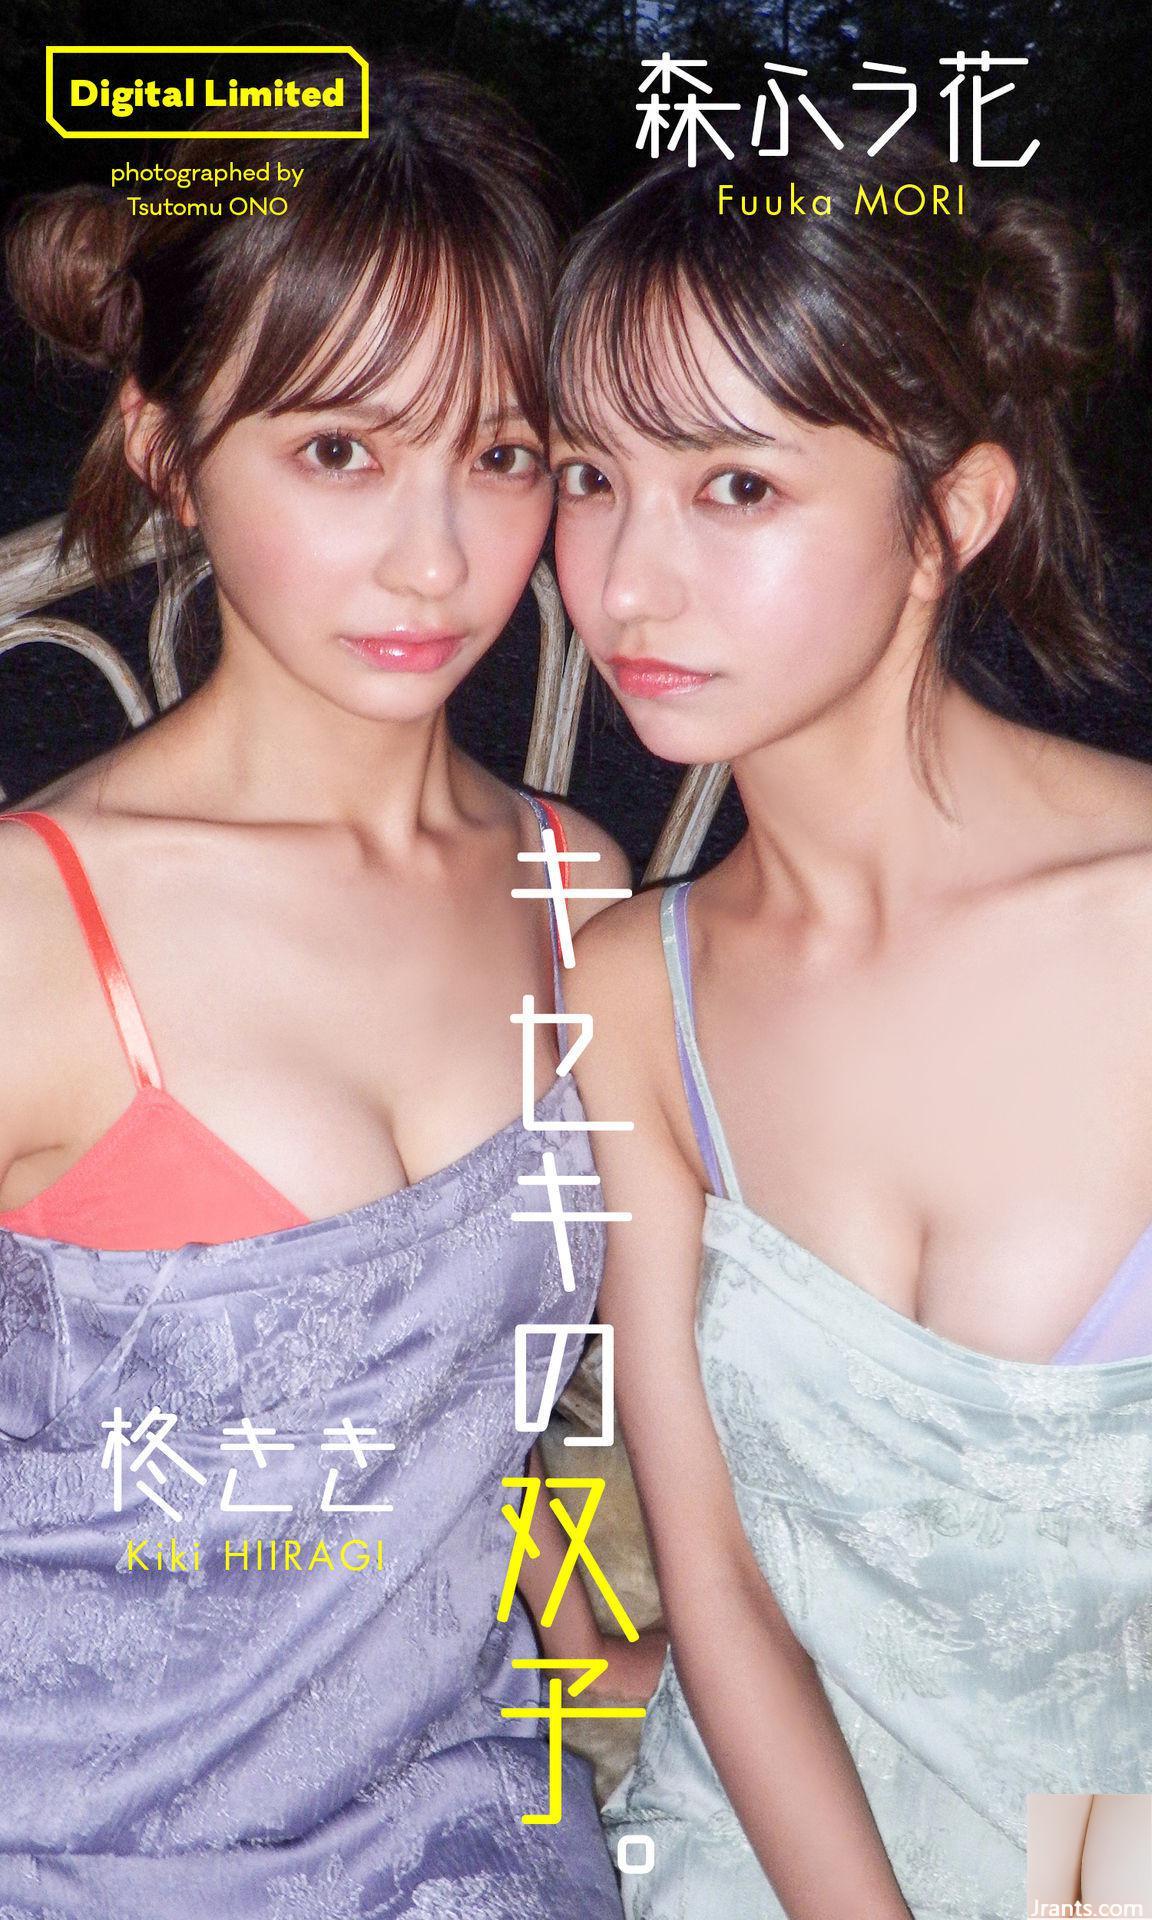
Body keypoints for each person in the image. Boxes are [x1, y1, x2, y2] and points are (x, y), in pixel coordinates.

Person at [0, 65, 634, 1918]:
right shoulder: (35, 926)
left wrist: (596, 1642)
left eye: (502, 455)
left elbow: (491, 1408)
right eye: (341, 451)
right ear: (167, 448)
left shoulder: (575, 886)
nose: (437, 559)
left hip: (467, 1836)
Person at [550, 117, 1152, 1920]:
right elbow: (722, 1595)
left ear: (953, 514)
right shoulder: (634, 991)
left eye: (736, 486)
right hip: (770, 1858)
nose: (627, 582)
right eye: (588, 475)